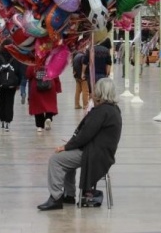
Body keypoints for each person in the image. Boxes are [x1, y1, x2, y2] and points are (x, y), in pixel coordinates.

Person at [37, 78, 122, 211]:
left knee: (56, 160)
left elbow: (85, 135)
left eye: (95, 91)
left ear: (100, 93)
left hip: (93, 154)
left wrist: (66, 146)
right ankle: (69, 195)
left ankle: (56, 197)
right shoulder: (113, 110)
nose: (92, 93)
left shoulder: (101, 111)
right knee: (67, 159)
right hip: (102, 153)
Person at [0, 40, 22, 131]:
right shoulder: (15, 56)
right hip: (12, 83)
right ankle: (8, 122)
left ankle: (2, 119)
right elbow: (19, 70)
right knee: (10, 102)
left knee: (1, 101)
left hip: (1, 83)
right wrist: (18, 83)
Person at [27, 65, 61, 132]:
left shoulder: (33, 64)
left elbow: (28, 74)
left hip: (36, 87)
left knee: (37, 107)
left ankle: (40, 126)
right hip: (50, 85)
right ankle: (48, 118)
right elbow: (56, 75)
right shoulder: (51, 63)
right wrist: (58, 87)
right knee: (50, 104)